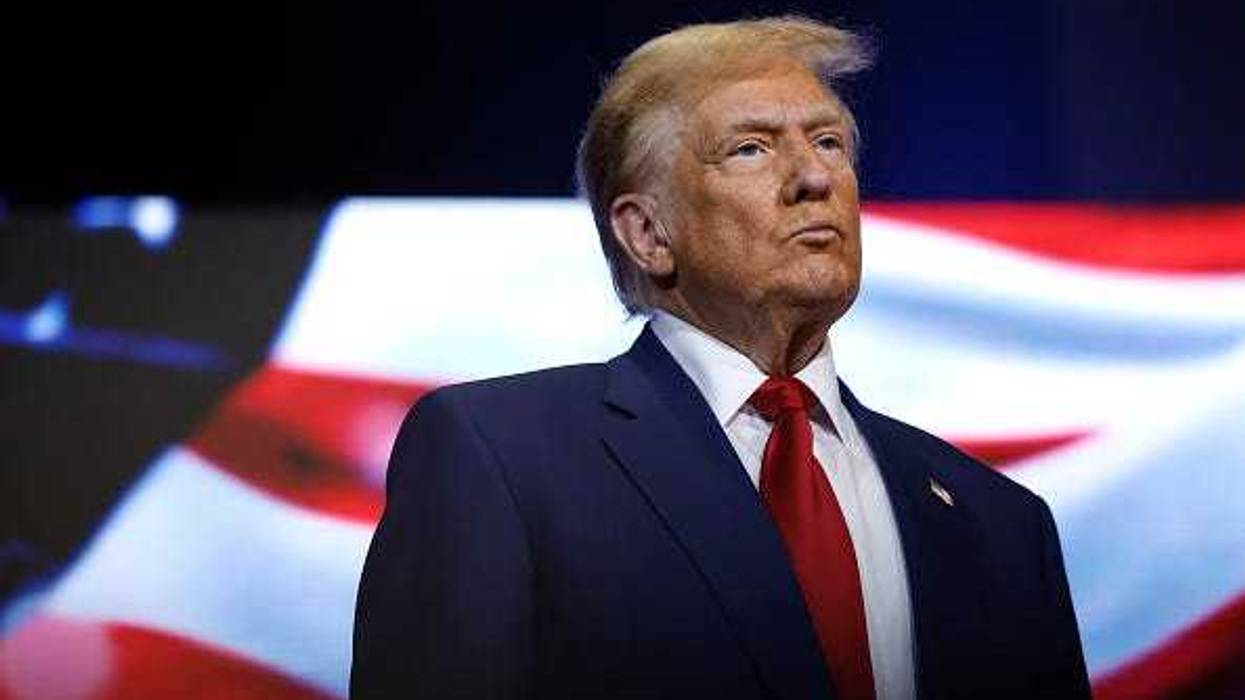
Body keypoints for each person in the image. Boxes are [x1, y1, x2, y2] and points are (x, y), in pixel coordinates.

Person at [351, 16, 1091, 700]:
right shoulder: (503, 459)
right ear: (647, 233)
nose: (813, 177)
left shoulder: (1000, 525)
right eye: (750, 148)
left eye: (828, 142)